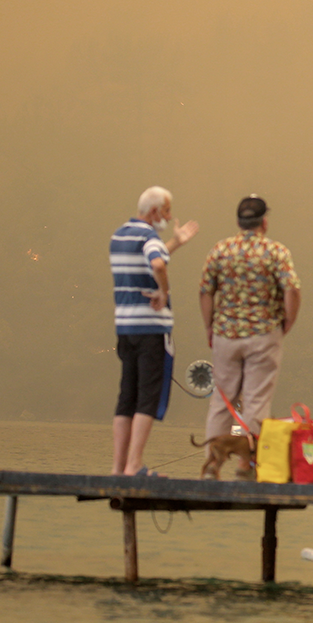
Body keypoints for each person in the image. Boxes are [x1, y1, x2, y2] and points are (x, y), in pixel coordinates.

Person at [109, 186, 198, 476]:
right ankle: (134, 464)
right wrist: (164, 291)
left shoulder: (119, 235)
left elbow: (152, 258)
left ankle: (118, 467)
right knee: (147, 396)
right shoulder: (148, 236)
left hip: (125, 328)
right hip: (151, 330)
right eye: (168, 210)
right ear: (155, 211)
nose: (169, 216)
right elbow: (157, 263)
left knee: (126, 397)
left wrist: (175, 242)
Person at [199, 195, 302, 444]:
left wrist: (210, 326)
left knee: (222, 400)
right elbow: (292, 289)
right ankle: (249, 466)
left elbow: (205, 291)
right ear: (264, 222)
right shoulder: (275, 252)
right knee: (256, 401)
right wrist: (288, 321)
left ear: (238, 222)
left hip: (226, 335)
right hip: (264, 335)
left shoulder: (221, 250)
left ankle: (212, 466)